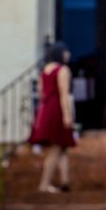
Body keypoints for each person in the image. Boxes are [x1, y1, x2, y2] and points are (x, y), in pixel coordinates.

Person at [29, 42, 75, 193]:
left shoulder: (44, 71)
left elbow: (42, 93)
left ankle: (65, 181)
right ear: (60, 53)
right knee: (56, 148)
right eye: (66, 52)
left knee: (62, 146)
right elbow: (64, 94)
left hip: (47, 108)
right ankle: (44, 183)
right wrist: (67, 116)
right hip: (57, 109)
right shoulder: (62, 70)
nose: (68, 55)